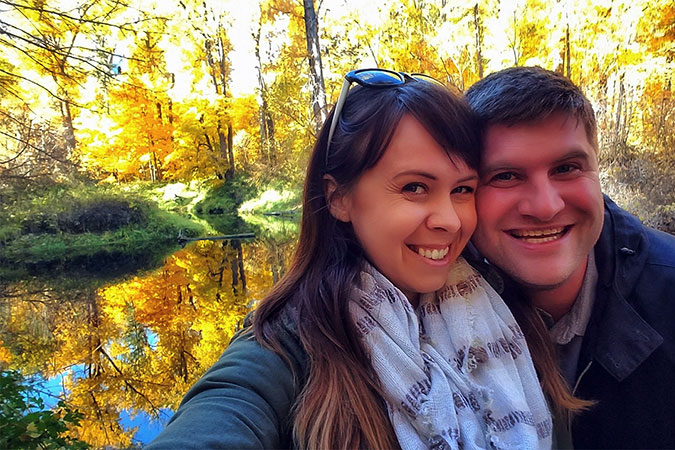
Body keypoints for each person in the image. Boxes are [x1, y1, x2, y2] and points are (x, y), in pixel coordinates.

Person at [148, 69, 576, 449]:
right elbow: (229, 409)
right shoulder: (290, 346)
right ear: (338, 197)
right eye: (414, 188)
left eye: (462, 189)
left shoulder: (505, 307)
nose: (449, 220)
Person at [463, 66, 675, 449]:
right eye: (505, 176)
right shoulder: (423, 306)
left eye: (566, 168)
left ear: (596, 170)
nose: (545, 207)